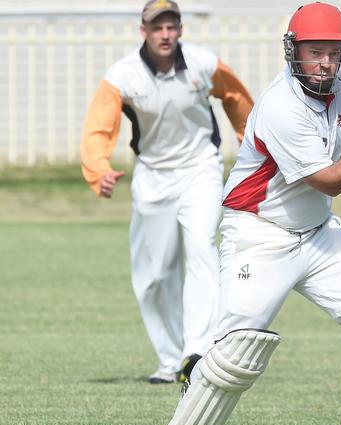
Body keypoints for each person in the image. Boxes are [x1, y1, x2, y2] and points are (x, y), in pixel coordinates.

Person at [149, 2, 341, 425]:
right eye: (312, 53)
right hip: (259, 236)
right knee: (234, 353)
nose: (323, 63)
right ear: (293, 53)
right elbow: (330, 180)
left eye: (332, 53)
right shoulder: (282, 106)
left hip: (318, 234)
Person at [80, 0, 254, 384]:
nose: (165, 34)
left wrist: (251, 145)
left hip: (201, 170)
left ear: (180, 29)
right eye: (157, 27)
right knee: (154, 275)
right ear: (143, 30)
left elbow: (238, 100)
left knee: (201, 248)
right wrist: (99, 170)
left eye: (171, 26)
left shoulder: (205, 63)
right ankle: (169, 360)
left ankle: (199, 351)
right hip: (152, 176)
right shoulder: (121, 76)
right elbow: (99, 128)